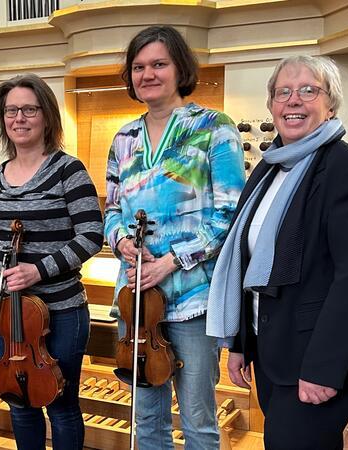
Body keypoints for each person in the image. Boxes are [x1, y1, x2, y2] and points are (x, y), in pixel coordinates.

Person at [206, 55, 348, 450]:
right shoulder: (268, 168)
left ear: (330, 105)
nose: (293, 100)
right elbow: (246, 262)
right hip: (273, 351)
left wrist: (324, 368)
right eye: (283, 92)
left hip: (322, 357)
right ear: (271, 104)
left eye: (309, 91)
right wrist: (239, 345)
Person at [104, 26, 246, 449]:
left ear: (179, 68)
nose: (148, 74)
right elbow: (112, 210)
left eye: (158, 64)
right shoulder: (124, 138)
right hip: (135, 301)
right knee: (146, 418)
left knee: (198, 418)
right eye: (139, 67)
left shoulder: (213, 128)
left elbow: (229, 214)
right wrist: (122, 242)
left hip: (193, 296)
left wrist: (173, 260)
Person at [0, 73, 104, 450]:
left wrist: (37, 269)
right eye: (11, 110)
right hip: (7, 312)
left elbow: (92, 235)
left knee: (60, 405)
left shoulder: (68, 170)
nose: (19, 118)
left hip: (60, 312)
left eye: (29, 109)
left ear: (46, 115)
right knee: (19, 403)